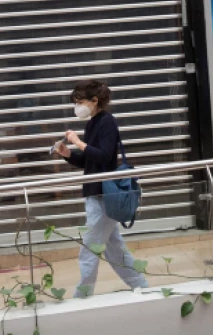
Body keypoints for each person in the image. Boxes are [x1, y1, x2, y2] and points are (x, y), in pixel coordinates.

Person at [53, 80, 149, 298]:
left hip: (103, 196)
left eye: (80, 101)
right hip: (95, 193)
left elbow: (105, 157)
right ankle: (141, 286)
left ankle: (82, 297)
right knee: (115, 250)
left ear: (95, 101)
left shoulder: (107, 122)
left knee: (89, 250)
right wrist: (68, 154)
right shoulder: (92, 123)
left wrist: (77, 142)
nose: (77, 106)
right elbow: (90, 161)